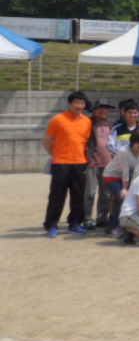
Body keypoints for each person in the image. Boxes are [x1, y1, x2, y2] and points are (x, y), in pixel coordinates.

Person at [42, 91, 93, 237]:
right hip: (61, 162)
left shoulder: (87, 121)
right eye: (76, 102)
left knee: (78, 195)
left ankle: (75, 223)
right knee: (57, 195)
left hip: (80, 162)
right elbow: (46, 140)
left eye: (82, 103)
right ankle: (52, 225)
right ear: (70, 103)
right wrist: (54, 154)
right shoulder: (58, 119)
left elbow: (85, 141)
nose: (79, 106)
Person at [102, 128, 139, 238]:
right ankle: (116, 226)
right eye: (138, 143)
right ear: (132, 142)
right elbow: (125, 170)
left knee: (131, 198)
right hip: (112, 175)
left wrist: (133, 188)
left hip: (129, 177)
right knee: (123, 198)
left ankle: (120, 223)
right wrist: (125, 189)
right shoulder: (123, 151)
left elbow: (137, 170)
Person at [84, 100, 115, 231]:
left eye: (105, 108)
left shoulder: (111, 124)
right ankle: (87, 218)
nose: (102, 111)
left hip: (108, 164)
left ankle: (102, 217)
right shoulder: (89, 124)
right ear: (94, 110)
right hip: (92, 163)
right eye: (99, 108)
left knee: (105, 193)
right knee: (90, 192)